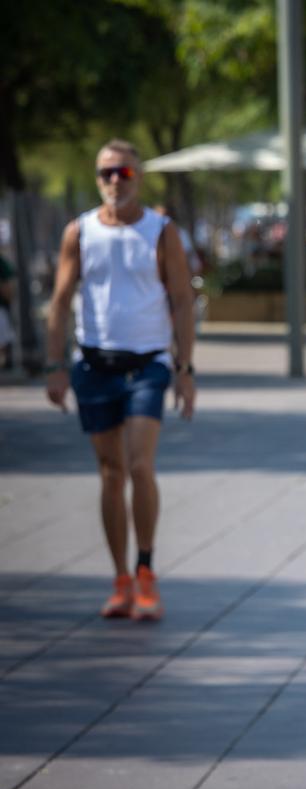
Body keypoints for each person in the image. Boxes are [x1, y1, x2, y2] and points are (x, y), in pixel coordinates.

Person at [44, 139, 196, 621]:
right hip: (94, 365)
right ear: (98, 178)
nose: (114, 181)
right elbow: (61, 299)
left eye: (123, 173)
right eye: (106, 173)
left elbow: (182, 301)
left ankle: (146, 570)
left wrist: (185, 369)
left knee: (139, 466)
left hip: (147, 365)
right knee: (110, 474)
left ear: (139, 177)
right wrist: (55, 366)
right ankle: (121, 579)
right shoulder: (80, 232)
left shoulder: (161, 231)